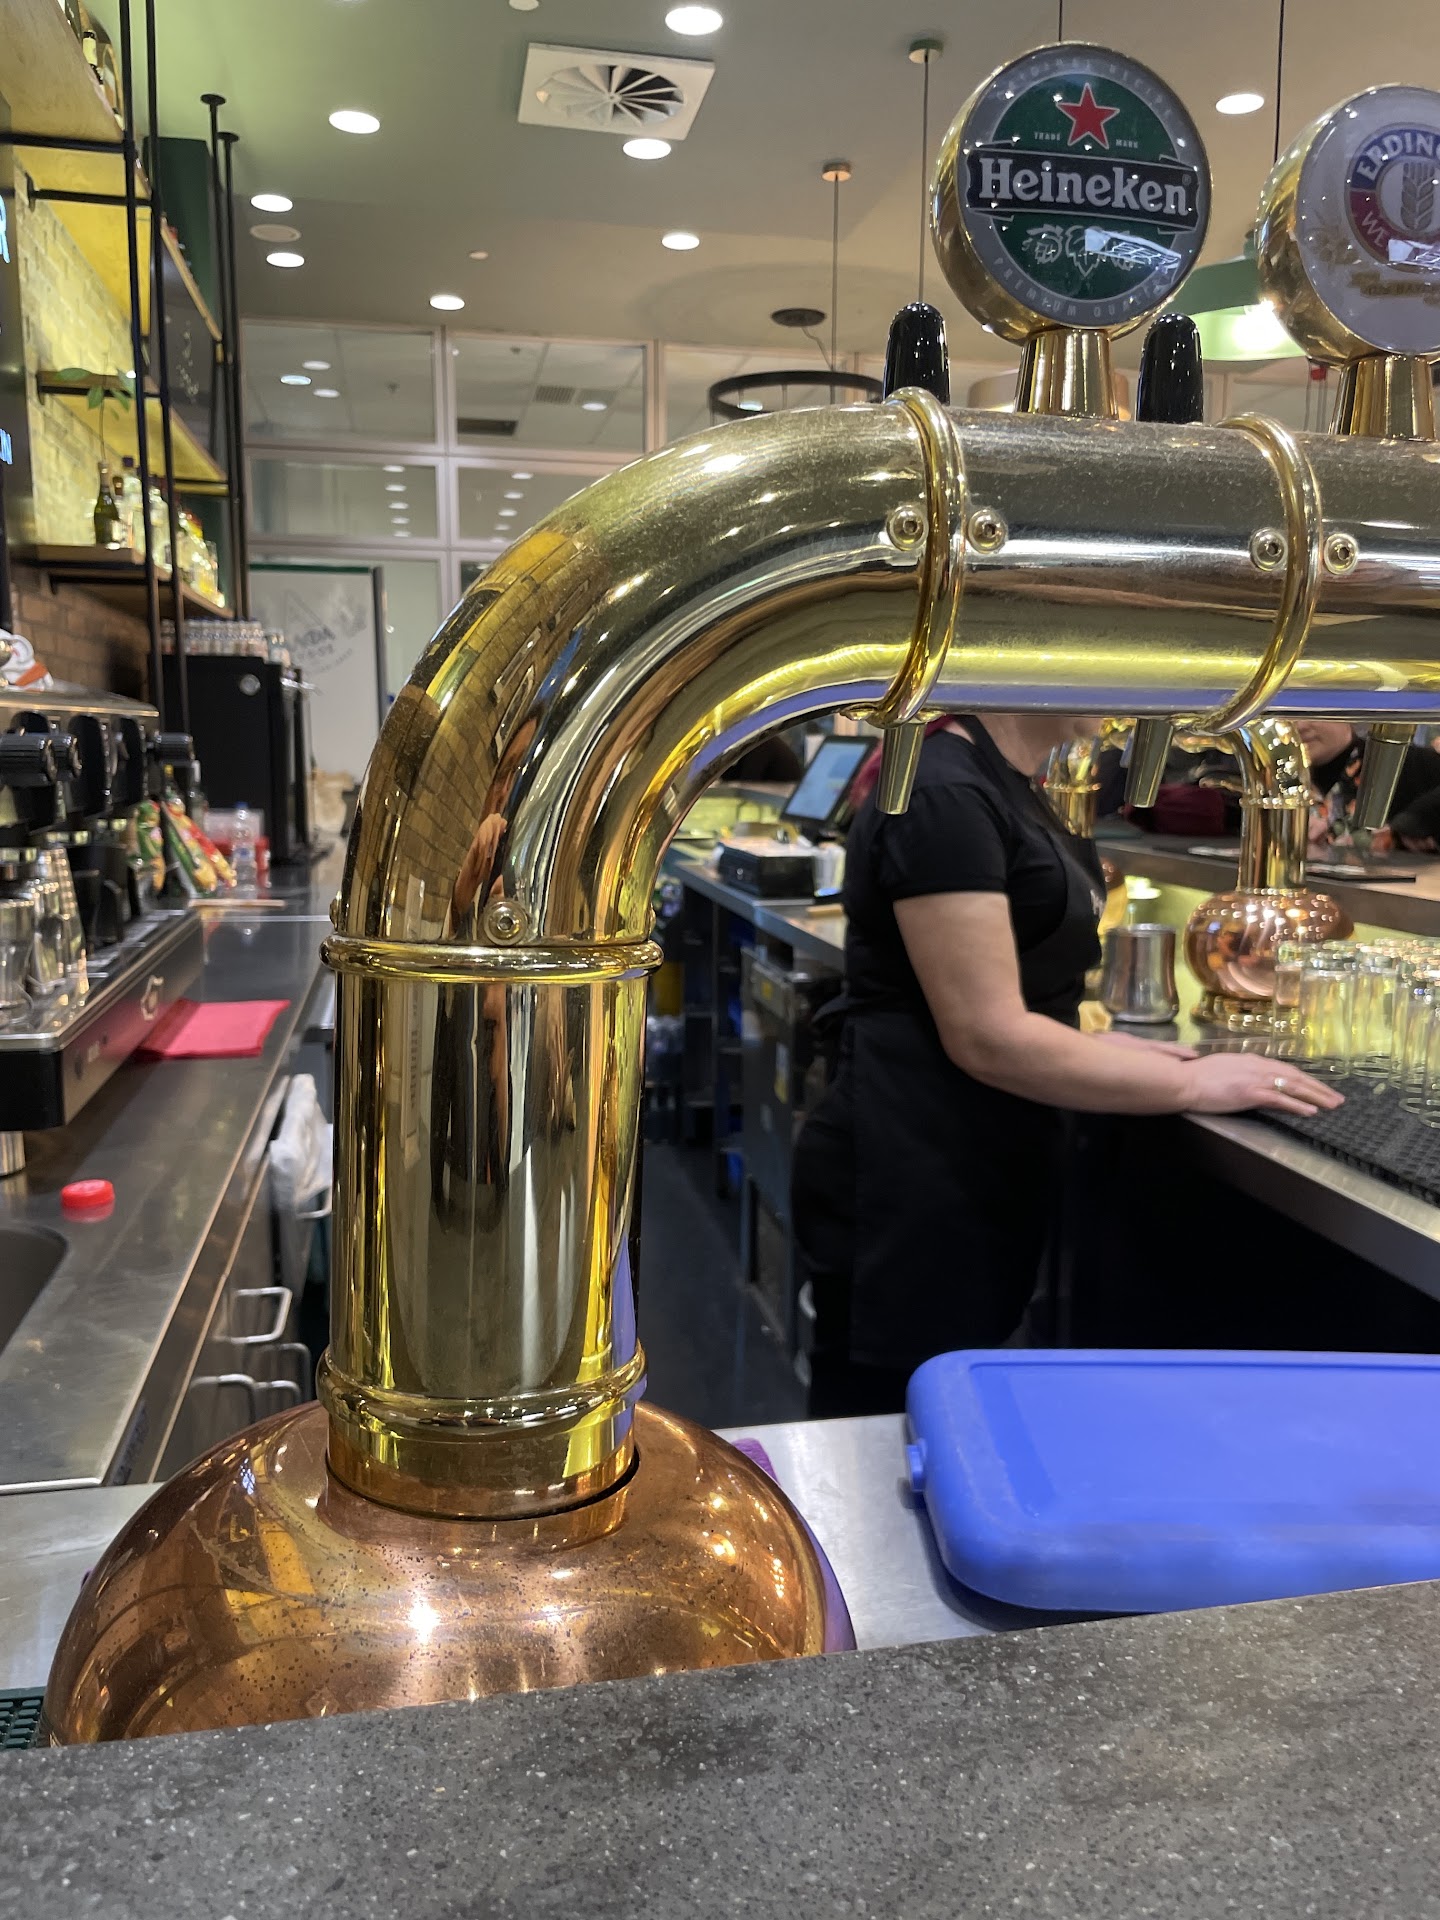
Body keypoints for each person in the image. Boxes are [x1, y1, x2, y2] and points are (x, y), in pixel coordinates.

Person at [790, 713, 1342, 1419]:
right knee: (893, 1431)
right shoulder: (944, 794)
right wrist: (1188, 1081)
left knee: (954, 1414)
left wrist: (1113, 1049)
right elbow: (987, 1035)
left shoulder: (1006, 782)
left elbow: (1016, 1000)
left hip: (969, 1157)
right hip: (909, 1173)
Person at [1294, 720, 1440, 847]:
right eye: (1292, 715)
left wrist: (1406, 826)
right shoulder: (1285, 781)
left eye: (1314, 714)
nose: (1300, 726)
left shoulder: (1405, 763)